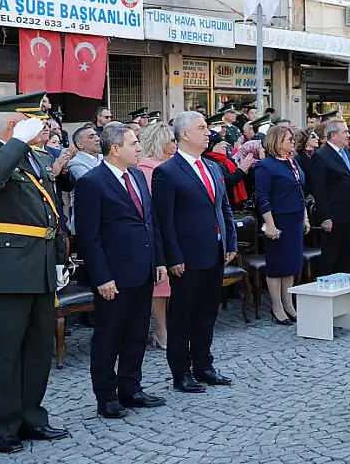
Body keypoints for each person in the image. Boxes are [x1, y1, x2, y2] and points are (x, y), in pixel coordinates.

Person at [0, 92, 69, 454]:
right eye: (35, 123)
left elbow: (51, 216)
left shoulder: (36, 161)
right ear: (15, 126)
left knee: (38, 349)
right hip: (7, 269)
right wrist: (16, 141)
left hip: (40, 266)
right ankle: (4, 426)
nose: (44, 128)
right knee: (5, 352)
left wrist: (59, 259)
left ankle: (32, 418)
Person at [74, 125, 167, 419]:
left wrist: (159, 260)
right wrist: (102, 276)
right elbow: (89, 237)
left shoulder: (138, 175)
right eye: (134, 143)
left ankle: (131, 387)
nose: (139, 148)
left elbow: (150, 222)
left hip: (143, 269)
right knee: (109, 337)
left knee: (137, 333)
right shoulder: (92, 182)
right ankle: (106, 396)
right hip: (113, 275)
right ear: (115, 148)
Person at [152, 111, 238, 394]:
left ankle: (204, 364)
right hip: (187, 257)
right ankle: (181, 371)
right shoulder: (168, 171)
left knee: (206, 312)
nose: (208, 133)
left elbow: (224, 208)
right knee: (183, 315)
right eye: (202, 128)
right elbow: (164, 221)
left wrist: (230, 243)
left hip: (214, 251)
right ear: (184, 134)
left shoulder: (213, 167)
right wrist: (173, 257)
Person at [255, 126, 310, 324]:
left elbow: (300, 191)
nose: (293, 142)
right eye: (289, 139)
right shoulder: (265, 166)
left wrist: (304, 217)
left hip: (295, 217)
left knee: (291, 264)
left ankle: (289, 304)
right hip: (278, 218)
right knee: (277, 264)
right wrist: (269, 223)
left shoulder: (291, 162)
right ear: (278, 141)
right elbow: (262, 197)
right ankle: (277, 306)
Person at [136, 123, 176, 350]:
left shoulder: (169, 165)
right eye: (171, 140)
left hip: (174, 231)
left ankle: (169, 328)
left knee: (172, 284)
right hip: (157, 232)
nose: (175, 144)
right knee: (160, 287)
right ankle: (161, 330)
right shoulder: (146, 169)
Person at [309, 118, 350, 275]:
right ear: (333, 135)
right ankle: (326, 290)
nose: (348, 135)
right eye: (345, 132)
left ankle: (344, 290)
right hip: (334, 215)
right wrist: (325, 217)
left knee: (347, 255)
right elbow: (319, 189)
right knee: (331, 255)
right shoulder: (321, 155)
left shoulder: (346, 152)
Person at [203, 131, 254, 209]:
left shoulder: (227, 160)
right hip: (226, 205)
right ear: (211, 147)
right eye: (220, 144)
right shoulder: (209, 162)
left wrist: (247, 170)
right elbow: (227, 181)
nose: (224, 146)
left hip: (237, 204)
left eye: (224, 143)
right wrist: (241, 170)